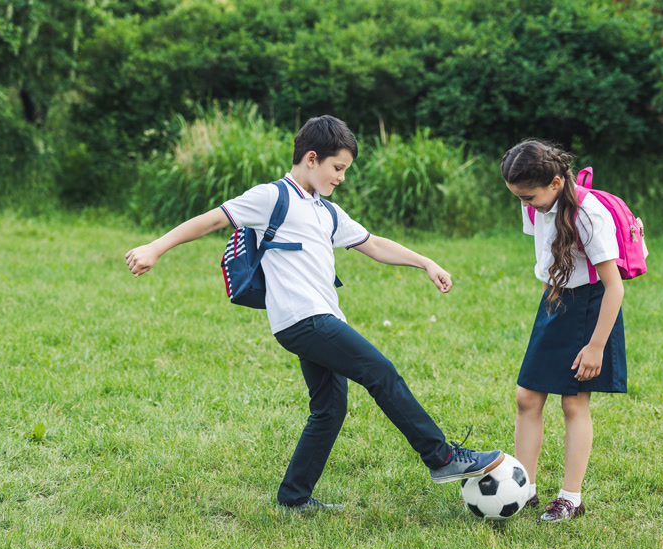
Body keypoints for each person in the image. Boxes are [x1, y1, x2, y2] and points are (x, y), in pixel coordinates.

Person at [125, 115, 504, 511]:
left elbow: (373, 244)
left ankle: (294, 497)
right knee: (381, 372)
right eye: (337, 168)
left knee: (329, 408)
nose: (341, 177)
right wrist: (155, 248)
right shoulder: (273, 197)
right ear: (311, 158)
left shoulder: (326, 212)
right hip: (302, 319)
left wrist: (425, 261)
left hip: (320, 319)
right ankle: (441, 457)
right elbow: (213, 219)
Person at [500, 139, 627, 523]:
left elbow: (614, 286)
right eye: (518, 197)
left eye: (529, 196)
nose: (525, 204)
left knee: (573, 403)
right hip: (554, 303)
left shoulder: (588, 214)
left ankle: (571, 498)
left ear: (555, 183)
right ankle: (524, 488)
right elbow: (545, 256)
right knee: (527, 397)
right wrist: (546, 312)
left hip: (590, 308)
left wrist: (596, 346)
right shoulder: (535, 206)